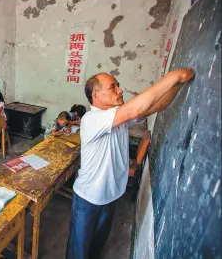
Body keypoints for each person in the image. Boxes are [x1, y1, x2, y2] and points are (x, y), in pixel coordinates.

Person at [66, 68, 194, 259]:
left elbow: (158, 105)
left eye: (118, 86)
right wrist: (173, 76)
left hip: (111, 193)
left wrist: (177, 85)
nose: (120, 90)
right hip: (89, 197)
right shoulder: (92, 119)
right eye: (113, 87)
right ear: (96, 94)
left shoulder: (117, 115)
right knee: (79, 249)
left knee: (97, 243)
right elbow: (135, 108)